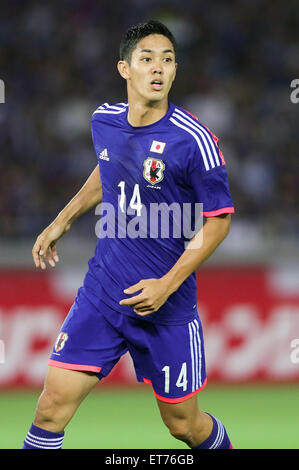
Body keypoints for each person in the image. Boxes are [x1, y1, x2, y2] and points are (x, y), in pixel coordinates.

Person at [23, 20, 235, 450]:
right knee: (50, 409)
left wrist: (167, 284)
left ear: (175, 71)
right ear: (125, 68)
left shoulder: (194, 140)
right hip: (103, 295)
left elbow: (219, 220)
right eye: (147, 59)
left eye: (168, 60)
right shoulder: (104, 121)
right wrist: (63, 218)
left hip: (166, 305)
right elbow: (109, 168)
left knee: (183, 426)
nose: (158, 68)